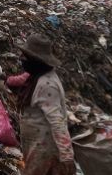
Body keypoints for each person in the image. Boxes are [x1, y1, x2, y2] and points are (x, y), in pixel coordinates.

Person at [6, 34, 75, 175]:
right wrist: (5, 79)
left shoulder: (47, 85)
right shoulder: (36, 76)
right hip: (35, 143)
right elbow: (19, 79)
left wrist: (67, 155)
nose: (21, 59)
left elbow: (57, 122)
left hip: (45, 147)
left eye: (26, 57)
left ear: (36, 61)